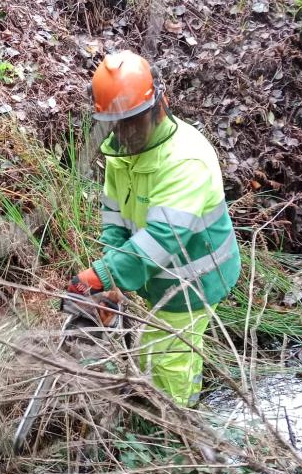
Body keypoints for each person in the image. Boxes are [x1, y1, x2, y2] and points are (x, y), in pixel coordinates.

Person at [67, 50, 241, 406]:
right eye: (118, 124)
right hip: (158, 273)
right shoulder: (122, 153)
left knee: (172, 360)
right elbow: (114, 218)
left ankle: (180, 424)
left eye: (134, 122)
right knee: (152, 350)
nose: (126, 134)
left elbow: (164, 239)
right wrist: (111, 283)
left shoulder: (186, 160)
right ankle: (154, 399)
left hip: (195, 276)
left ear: (158, 106)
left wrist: (100, 275)